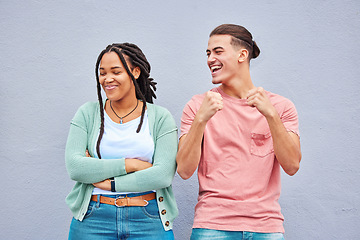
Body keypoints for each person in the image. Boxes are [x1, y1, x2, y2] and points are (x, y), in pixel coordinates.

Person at [176, 24, 301, 239]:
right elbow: (184, 171)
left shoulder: (280, 107)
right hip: (212, 226)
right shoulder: (198, 106)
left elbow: (292, 166)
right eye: (208, 53)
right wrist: (201, 120)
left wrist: (270, 115)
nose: (210, 59)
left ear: (242, 55)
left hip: (266, 228)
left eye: (218, 51)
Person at [65, 43, 178, 239]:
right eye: (102, 73)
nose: (107, 79)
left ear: (135, 72)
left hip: (148, 218)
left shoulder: (160, 117)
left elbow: (162, 175)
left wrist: (110, 184)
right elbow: (76, 167)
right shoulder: (88, 113)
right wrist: (132, 164)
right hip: (93, 218)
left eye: (116, 72)